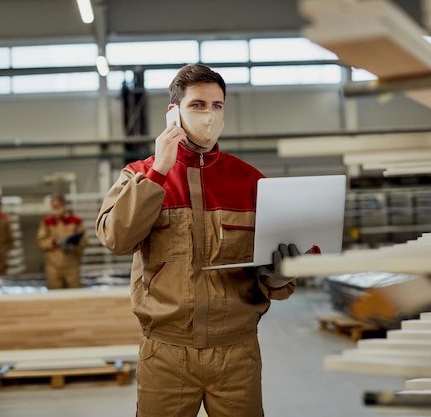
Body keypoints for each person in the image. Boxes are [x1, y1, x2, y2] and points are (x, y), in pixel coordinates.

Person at [96, 64, 301, 417]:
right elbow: (116, 238)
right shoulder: (140, 175)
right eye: (198, 105)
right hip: (166, 352)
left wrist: (279, 278)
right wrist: (160, 169)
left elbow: (269, 267)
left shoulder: (251, 181)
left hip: (236, 352)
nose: (210, 114)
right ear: (173, 113)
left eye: (217, 105)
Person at [37, 194, 88, 289]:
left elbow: (84, 240)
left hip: (72, 265)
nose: (55, 209)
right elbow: (41, 242)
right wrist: (55, 242)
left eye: (57, 206)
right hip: (53, 266)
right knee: (55, 295)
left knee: (75, 293)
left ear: (64, 205)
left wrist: (74, 245)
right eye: (53, 207)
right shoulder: (46, 222)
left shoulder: (76, 220)